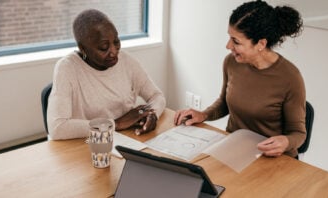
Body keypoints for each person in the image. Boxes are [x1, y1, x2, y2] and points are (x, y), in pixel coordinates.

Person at [174, 0, 306, 158]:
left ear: (261, 44)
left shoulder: (290, 78)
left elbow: (298, 133)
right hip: (235, 150)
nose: (228, 45)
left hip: (272, 158)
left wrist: (286, 142)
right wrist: (204, 115)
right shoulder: (232, 62)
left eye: (236, 41)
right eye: (230, 37)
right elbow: (224, 103)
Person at [47, 9, 166, 140]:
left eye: (116, 42)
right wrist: (116, 124)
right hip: (84, 145)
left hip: (123, 140)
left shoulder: (127, 61)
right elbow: (57, 128)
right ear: (83, 48)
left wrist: (152, 114)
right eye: (104, 47)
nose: (114, 52)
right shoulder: (67, 68)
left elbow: (156, 96)